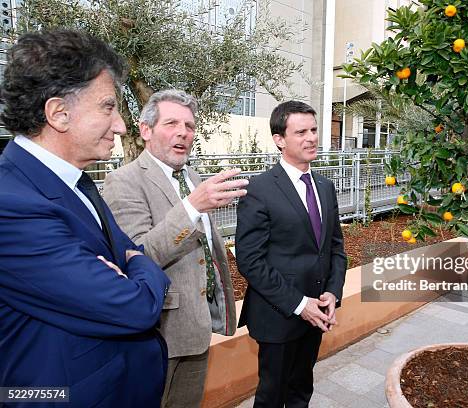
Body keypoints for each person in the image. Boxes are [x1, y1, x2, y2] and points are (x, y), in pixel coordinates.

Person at [0, 30, 171, 407]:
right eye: (108, 107)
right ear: (58, 113)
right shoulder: (10, 206)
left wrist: (131, 261)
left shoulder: (74, 178)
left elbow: (127, 250)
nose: (121, 126)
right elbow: (134, 306)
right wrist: (140, 264)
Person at [103, 89, 248, 408]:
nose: (183, 132)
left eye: (190, 125)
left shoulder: (192, 177)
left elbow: (207, 248)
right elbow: (138, 254)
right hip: (158, 334)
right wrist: (192, 207)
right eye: (171, 123)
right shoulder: (123, 181)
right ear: (145, 130)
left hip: (197, 329)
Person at [235, 100, 347, 407]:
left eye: (313, 130)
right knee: (272, 396)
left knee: (301, 391)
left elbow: (335, 247)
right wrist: (299, 304)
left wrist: (332, 294)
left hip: (317, 314)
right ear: (279, 139)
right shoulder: (259, 189)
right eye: (301, 132)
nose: (311, 137)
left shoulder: (325, 186)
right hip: (278, 314)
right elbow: (249, 259)